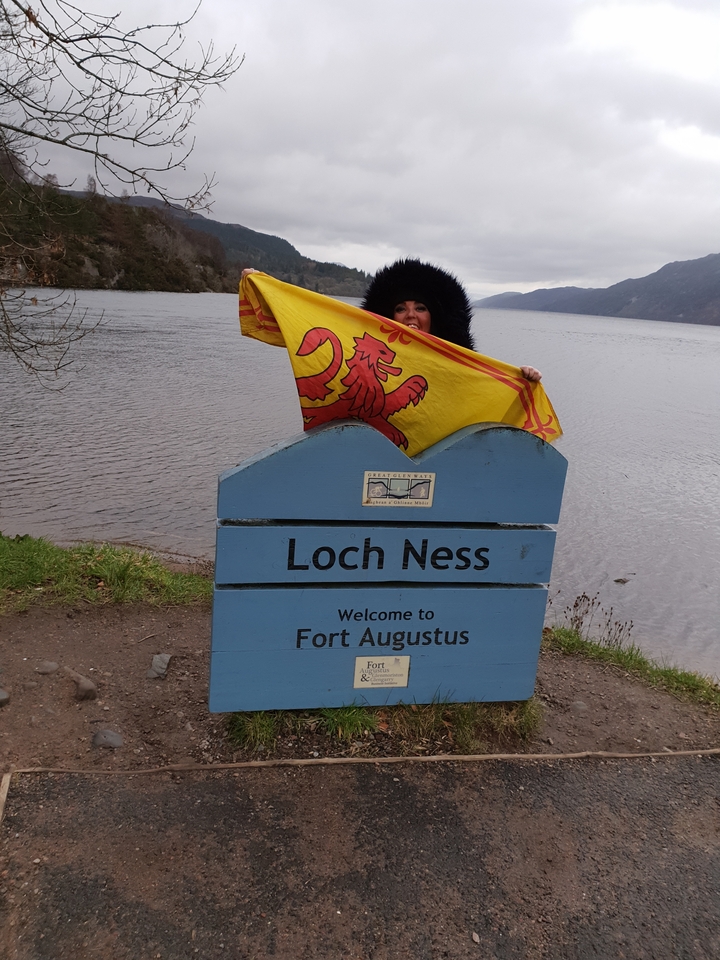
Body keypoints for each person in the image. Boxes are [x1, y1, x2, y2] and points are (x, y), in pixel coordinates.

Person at [241, 260, 542, 381]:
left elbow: (488, 388)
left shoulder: (459, 363)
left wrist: (522, 376)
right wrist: (266, 291)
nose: (411, 314)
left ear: (433, 316)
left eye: (420, 307)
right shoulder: (361, 355)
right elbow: (305, 329)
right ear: (389, 316)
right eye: (401, 307)